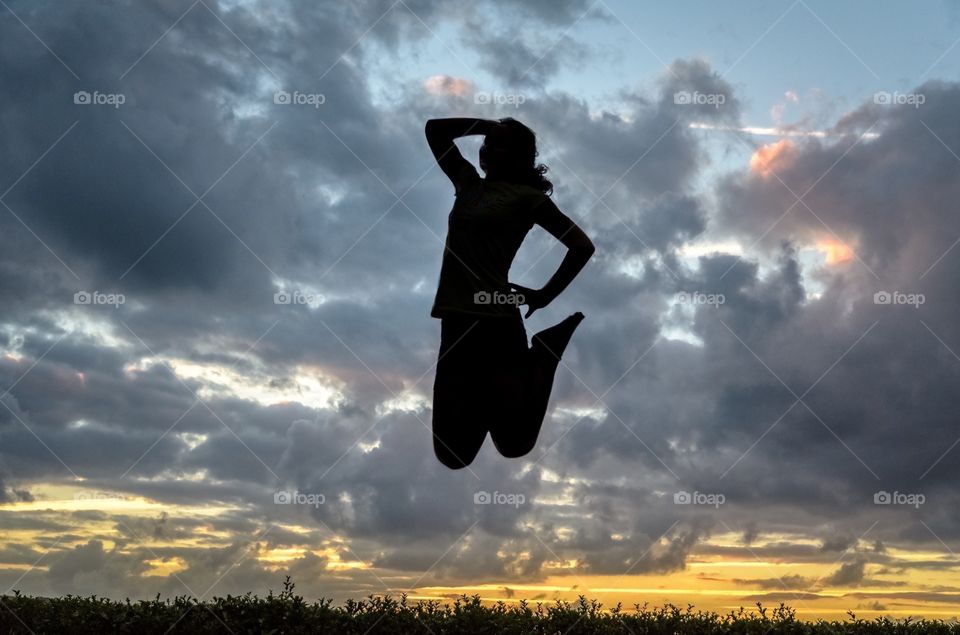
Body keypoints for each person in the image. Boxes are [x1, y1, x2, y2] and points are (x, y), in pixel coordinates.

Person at [425, 117, 596, 469]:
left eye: (500, 144)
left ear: (521, 157)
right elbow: (435, 130)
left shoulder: (528, 199)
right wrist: (490, 126)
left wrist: (544, 296)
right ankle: (510, 384)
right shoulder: (467, 182)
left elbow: (581, 246)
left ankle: (545, 352)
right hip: (455, 325)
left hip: (497, 326)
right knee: (452, 455)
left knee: (515, 443)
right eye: (488, 142)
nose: (487, 147)